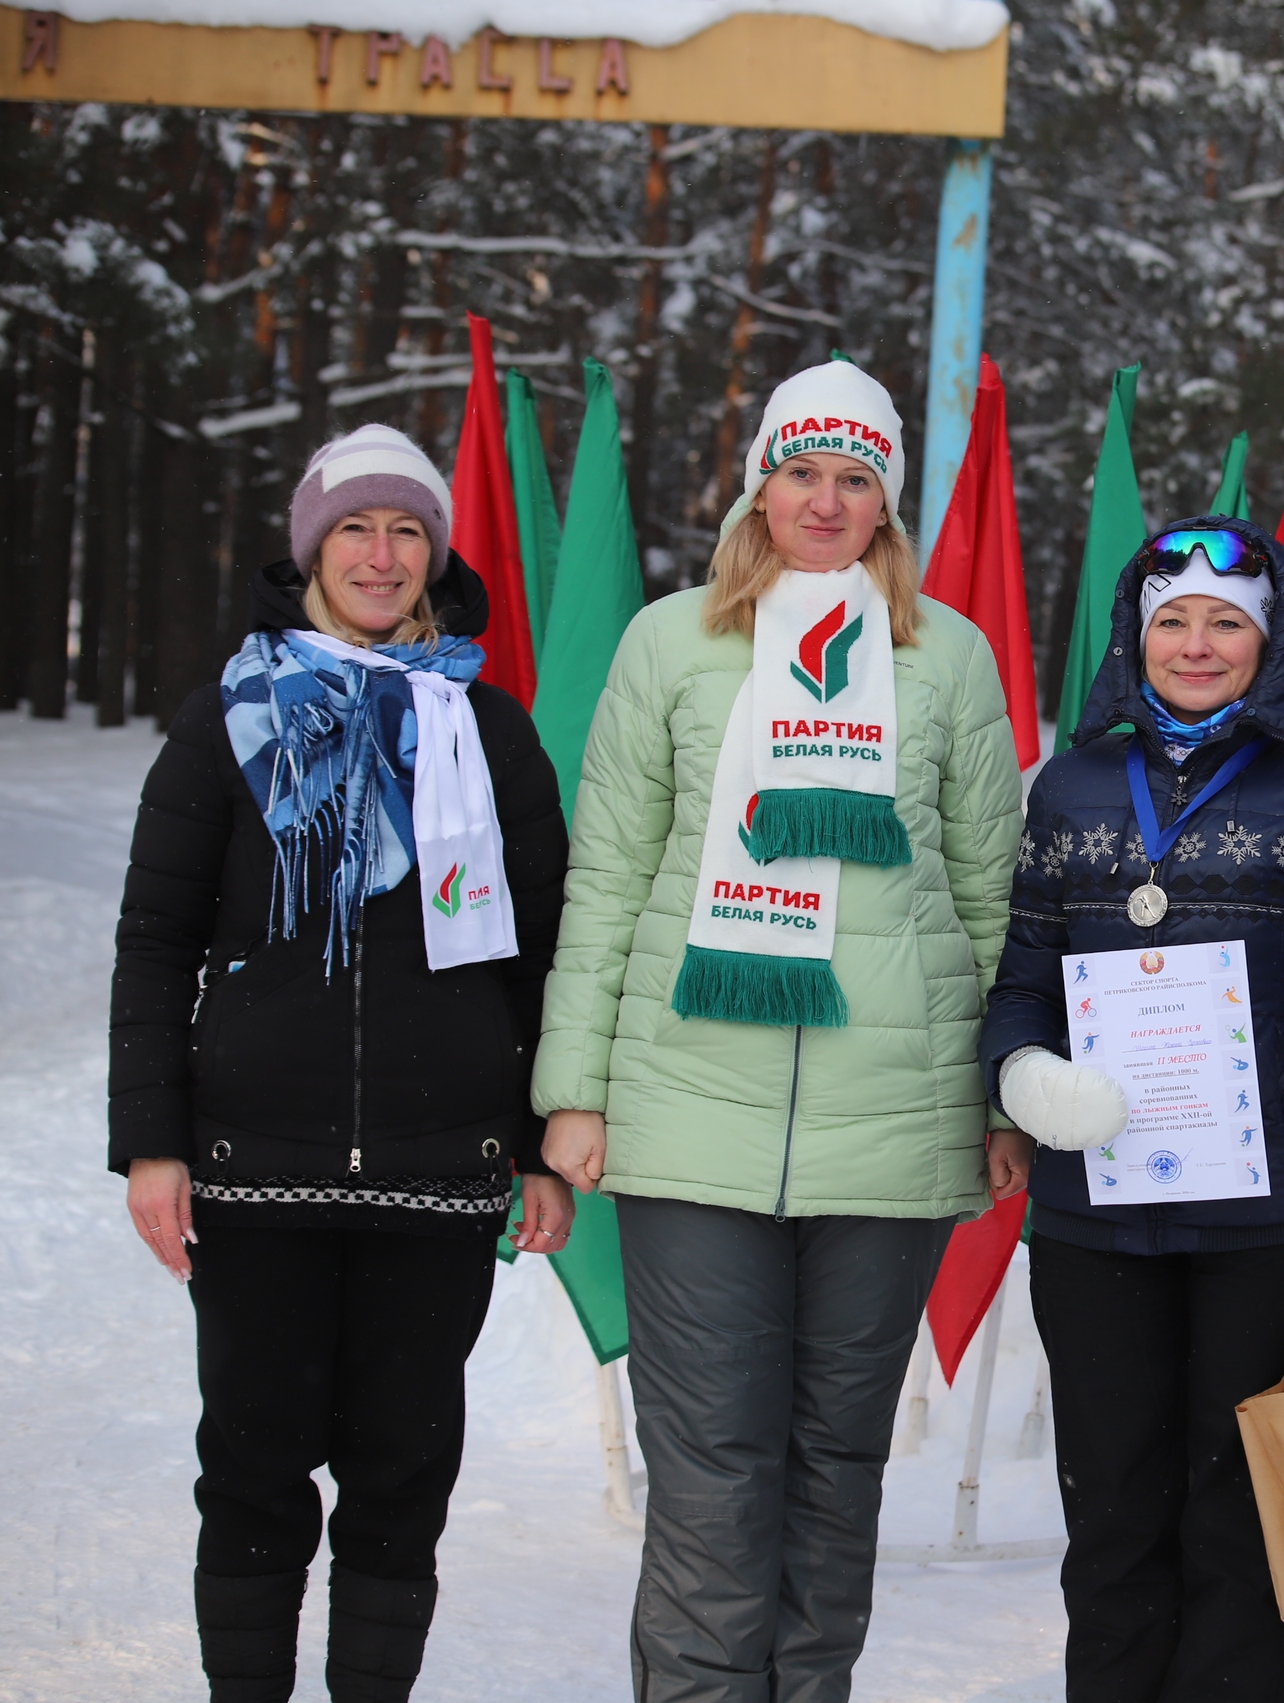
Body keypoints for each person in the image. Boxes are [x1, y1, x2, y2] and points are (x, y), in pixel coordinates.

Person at [532, 358, 1029, 1703]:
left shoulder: (948, 655)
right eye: (800, 471)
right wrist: (574, 1087)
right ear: (759, 485)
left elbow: (992, 894)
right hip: (689, 1115)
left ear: (887, 501)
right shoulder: (670, 642)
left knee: (835, 1468)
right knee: (711, 1466)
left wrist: (996, 1100)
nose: (824, 500)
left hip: (895, 1124)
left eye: (854, 477)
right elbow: (607, 875)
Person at [108, 422, 572, 1703]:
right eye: (356, 528)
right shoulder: (227, 722)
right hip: (255, 1164)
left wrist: (539, 1140)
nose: (381, 554)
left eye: (407, 528)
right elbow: (155, 940)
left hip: (441, 1165)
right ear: (313, 549)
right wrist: (153, 1142)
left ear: (435, 554)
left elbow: (545, 951)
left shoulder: (488, 727)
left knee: (401, 1477)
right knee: (252, 1474)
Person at [981, 516, 1284, 1703]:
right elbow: (1020, 980)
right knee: (1113, 1514)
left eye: (1227, 621)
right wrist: (1020, 1070)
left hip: (1270, 1224)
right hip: (1095, 1222)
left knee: (1247, 1519)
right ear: (1136, 636)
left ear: (1271, 643)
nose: (1197, 643)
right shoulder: (1069, 784)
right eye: (1172, 618)